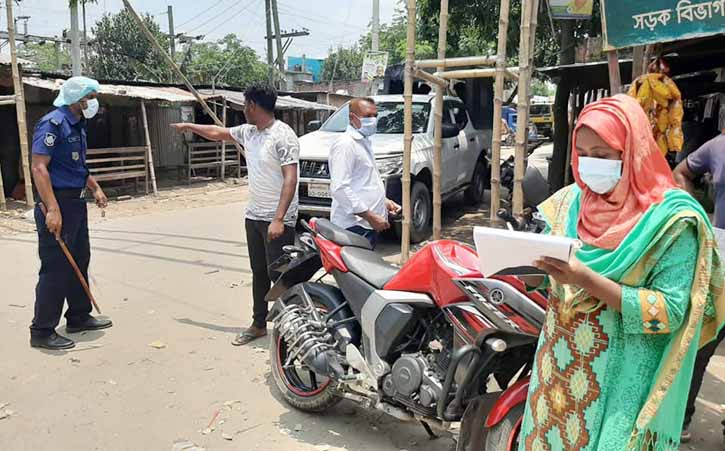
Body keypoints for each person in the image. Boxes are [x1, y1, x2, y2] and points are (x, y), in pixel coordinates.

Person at [517, 95, 724, 450]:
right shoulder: (568, 203)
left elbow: (670, 312)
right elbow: (549, 289)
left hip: (620, 388)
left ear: (630, 152)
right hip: (557, 380)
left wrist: (585, 279)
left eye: (602, 155)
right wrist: (528, 271)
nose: (589, 165)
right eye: (582, 154)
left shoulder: (672, 222)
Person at [170, 83, 299, 346]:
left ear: (252, 105)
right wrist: (190, 127)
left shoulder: (283, 135)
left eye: (244, 104)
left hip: (277, 220)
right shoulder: (249, 132)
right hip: (254, 216)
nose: (242, 109)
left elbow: (290, 178)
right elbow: (219, 133)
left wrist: (279, 218)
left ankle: (295, 326)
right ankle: (258, 324)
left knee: (281, 275)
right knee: (259, 272)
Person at [30, 76, 112, 350]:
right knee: (56, 268)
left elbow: (77, 166)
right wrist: (52, 208)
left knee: (80, 258)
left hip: (75, 203)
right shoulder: (53, 123)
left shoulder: (78, 124)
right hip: (58, 203)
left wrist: (95, 188)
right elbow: (39, 167)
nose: (93, 102)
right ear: (77, 99)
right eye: (90, 97)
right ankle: (42, 330)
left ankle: (78, 316)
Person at [673, 129, 725, 442]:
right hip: (721, 258)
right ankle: (681, 416)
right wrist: (693, 210)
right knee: (702, 343)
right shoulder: (718, 146)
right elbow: (680, 172)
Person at [328, 97, 400, 249]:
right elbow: (340, 188)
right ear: (352, 118)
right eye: (368, 116)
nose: (373, 120)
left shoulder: (363, 141)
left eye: (375, 116)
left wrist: (384, 201)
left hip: (366, 225)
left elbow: (363, 180)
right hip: (354, 226)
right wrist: (370, 216)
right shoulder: (346, 144)